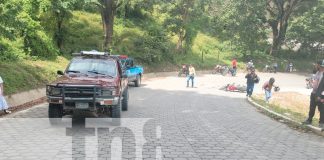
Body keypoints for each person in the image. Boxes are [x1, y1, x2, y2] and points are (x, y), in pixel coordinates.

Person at [303, 61, 324, 125]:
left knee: (322, 109)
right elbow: (315, 83)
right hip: (314, 93)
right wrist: (312, 82)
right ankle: (309, 119)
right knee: (312, 107)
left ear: (320, 65)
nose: (315, 66)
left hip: (321, 95)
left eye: (317, 65)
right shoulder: (317, 72)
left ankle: (321, 123)